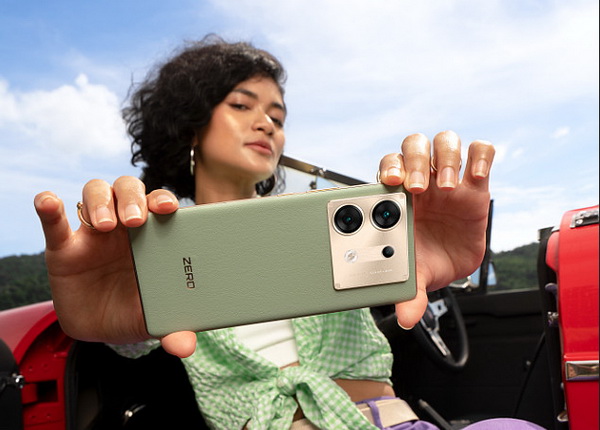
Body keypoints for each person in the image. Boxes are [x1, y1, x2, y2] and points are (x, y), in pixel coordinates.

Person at [34, 35, 501, 429]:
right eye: (241, 105)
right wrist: (112, 300)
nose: (267, 125)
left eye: (278, 118)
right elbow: (131, 337)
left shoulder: (326, 217)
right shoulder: (153, 244)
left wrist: (422, 248)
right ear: (191, 126)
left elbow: (395, 270)